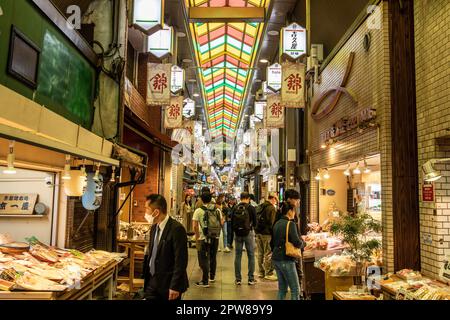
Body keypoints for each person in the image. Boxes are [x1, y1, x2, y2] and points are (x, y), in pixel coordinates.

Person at [143, 194, 189, 300]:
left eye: (147, 209)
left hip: (169, 284)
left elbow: (181, 261)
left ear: (156, 212)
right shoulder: (154, 228)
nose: (145, 212)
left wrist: (175, 286)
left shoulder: (177, 229)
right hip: (152, 281)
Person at [271, 203, 304, 300]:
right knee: (295, 290)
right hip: (286, 259)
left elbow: (272, 242)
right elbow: (297, 242)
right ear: (289, 211)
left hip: (276, 259)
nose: (295, 213)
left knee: (282, 289)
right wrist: (304, 244)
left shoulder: (277, 223)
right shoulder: (290, 224)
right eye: (294, 210)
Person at [192, 192, 221, 287]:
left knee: (203, 258)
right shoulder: (217, 209)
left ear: (201, 200)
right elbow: (222, 222)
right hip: (215, 237)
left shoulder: (198, 211)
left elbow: (195, 226)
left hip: (203, 238)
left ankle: (205, 281)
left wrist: (196, 236)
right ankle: (212, 277)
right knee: (213, 257)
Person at [231, 192, 257, 285]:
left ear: (240, 198)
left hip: (237, 234)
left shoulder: (235, 207)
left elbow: (231, 221)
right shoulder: (251, 208)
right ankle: (250, 279)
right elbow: (255, 222)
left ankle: (238, 279)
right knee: (251, 256)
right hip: (248, 233)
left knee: (238, 255)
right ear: (248, 198)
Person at [255, 192, 278, 281]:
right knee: (268, 252)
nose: (276, 201)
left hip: (258, 232)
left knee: (260, 253)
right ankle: (268, 272)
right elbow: (271, 223)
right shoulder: (271, 208)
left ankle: (261, 272)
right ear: (273, 198)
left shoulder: (261, 206)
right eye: (276, 199)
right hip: (266, 233)